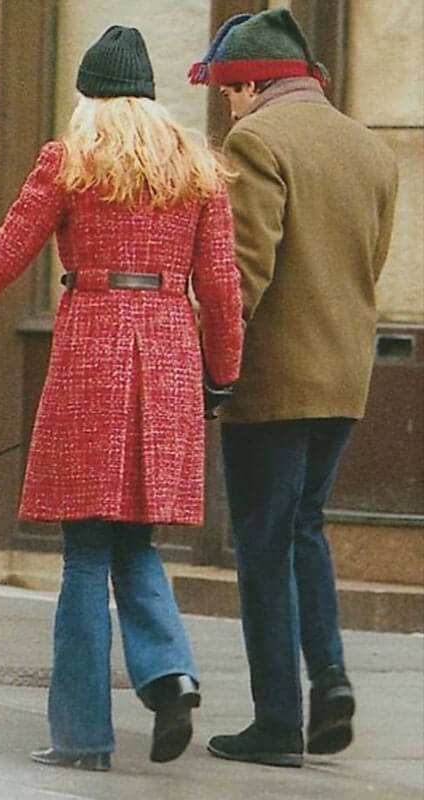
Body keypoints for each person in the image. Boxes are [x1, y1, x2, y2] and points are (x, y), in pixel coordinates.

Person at [0, 25, 244, 770]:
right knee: (137, 539)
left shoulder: (71, 161)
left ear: (89, 95)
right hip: (172, 348)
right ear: (148, 94)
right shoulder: (197, 171)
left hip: (93, 354)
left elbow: (3, 255)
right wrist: (222, 374)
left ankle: (82, 737)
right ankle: (169, 673)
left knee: (85, 552)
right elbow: (222, 287)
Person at [188, 8, 398, 768]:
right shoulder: (370, 149)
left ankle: (278, 720)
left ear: (250, 86)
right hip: (346, 377)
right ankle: (330, 678)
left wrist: (212, 368)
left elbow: (240, 276)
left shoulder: (256, 142)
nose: (227, 108)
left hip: (274, 382)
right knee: (305, 526)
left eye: (227, 92)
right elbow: (366, 267)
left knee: (262, 543)